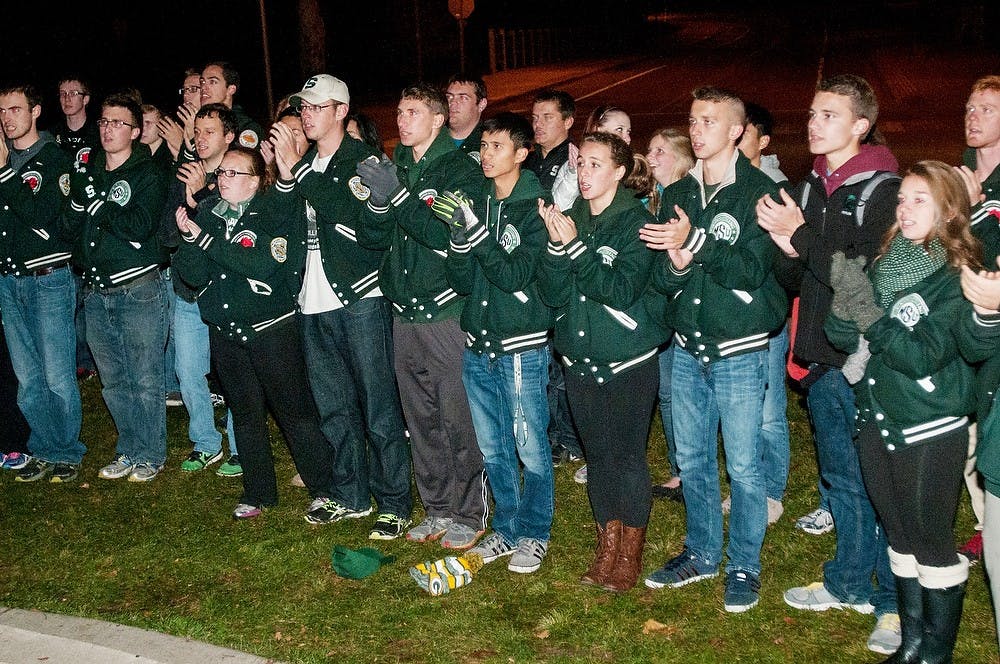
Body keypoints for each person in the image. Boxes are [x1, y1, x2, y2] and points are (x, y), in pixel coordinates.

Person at [756, 74, 900, 654]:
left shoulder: (884, 190)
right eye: (812, 113)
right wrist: (788, 248)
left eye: (829, 115)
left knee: (882, 486)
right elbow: (800, 277)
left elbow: (862, 278)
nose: (813, 123)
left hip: (862, 359)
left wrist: (802, 238)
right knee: (841, 477)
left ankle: (892, 602)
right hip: (818, 354)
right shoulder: (811, 186)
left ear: (860, 125)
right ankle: (848, 579)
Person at [825, 161, 982, 664]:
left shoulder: (958, 276)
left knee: (931, 538)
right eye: (902, 199)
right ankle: (913, 643)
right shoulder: (886, 261)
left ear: (949, 209)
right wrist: (843, 309)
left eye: (920, 199)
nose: (905, 208)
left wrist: (868, 314)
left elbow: (919, 356)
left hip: (930, 422)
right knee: (898, 532)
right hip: (878, 416)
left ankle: (937, 651)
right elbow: (844, 339)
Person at [641, 87, 784, 613]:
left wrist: (694, 244)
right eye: (694, 120)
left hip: (739, 349)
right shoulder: (679, 190)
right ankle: (702, 553)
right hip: (686, 346)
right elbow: (663, 273)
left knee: (745, 467)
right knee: (694, 458)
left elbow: (751, 269)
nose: (698, 130)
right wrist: (675, 266)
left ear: (736, 131)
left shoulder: (758, 192)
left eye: (709, 121)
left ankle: (744, 564)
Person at [271, 74, 412, 538]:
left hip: (359, 301)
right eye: (303, 107)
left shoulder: (360, 161)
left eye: (316, 107)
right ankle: (351, 494)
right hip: (312, 300)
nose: (307, 114)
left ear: (340, 111)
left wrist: (299, 172)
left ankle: (394, 501)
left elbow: (352, 217)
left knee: (378, 406)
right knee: (333, 406)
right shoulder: (304, 163)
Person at [172, 147, 337, 520]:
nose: (222, 180)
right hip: (226, 333)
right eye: (222, 173)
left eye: (233, 173)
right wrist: (188, 238)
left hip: (271, 331)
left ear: (256, 179)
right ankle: (258, 491)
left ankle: (324, 489)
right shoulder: (210, 214)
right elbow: (194, 275)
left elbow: (264, 264)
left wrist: (204, 240)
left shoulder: (272, 213)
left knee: (295, 414)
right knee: (244, 415)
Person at [357, 83, 487, 549]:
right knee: (421, 419)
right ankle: (436, 507)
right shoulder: (400, 167)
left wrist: (397, 197)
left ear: (438, 120)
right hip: (404, 312)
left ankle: (470, 512)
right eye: (398, 110)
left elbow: (441, 234)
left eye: (413, 111)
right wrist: (377, 202)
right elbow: (374, 238)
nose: (401, 119)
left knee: (457, 417)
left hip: (445, 314)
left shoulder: (459, 170)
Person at [536, 131, 665, 591]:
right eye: (581, 165)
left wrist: (574, 250)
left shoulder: (636, 223)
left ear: (618, 171)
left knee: (626, 457)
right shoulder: (571, 218)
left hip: (627, 360)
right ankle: (606, 545)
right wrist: (555, 249)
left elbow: (621, 289)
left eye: (594, 164)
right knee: (599, 456)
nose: (584, 173)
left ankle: (629, 553)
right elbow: (550, 294)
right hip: (579, 359)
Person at [436, 112, 554, 573]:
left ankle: (535, 532)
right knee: (493, 445)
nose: (485, 155)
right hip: (478, 340)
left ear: (522, 153)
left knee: (529, 444)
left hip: (520, 343)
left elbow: (513, 274)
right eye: (482, 146)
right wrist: (461, 241)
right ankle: (506, 528)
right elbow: (463, 279)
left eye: (496, 147)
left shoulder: (535, 208)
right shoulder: (479, 202)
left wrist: (478, 235)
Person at [64, 92, 170, 482]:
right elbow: (70, 228)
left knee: (144, 377)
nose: (108, 129)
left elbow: (138, 226)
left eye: (118, 123)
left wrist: (97, 205)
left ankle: (151, 455)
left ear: (137, 131)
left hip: (138, 289)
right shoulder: (90, 172)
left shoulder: (149, 173)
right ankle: (129, 449)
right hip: (95, 290)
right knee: (113, 380)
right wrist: (83, 204)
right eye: (104, 122)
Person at [0, 84, 83, 483]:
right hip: (8, 280)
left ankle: (67, 449)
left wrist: (3, 172)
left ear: (35, 112)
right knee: (28, 376)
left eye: (15, 109)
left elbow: (42, 216)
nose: (7, 118)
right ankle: (43, 446)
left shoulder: (53, 160)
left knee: (56, 373)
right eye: (2, 111)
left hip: (47, 278)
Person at [159, 103, 241, 476]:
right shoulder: (185, 174)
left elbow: (232, 235)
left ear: (229, 136)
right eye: (197, 131)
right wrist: (187, 202)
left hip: (225, 295)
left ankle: (241, 447)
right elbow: (166, 233)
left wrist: (200, 198)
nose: (201, 138)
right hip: (189, 292)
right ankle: (206, 442)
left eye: (210, 131)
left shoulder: (238, 176)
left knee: (233, 373)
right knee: (188, 370)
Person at [726, 100, 792, 526]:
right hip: (732, 318)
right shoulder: (726, 183)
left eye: (743, 131)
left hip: (763, 316)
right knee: (741, 409)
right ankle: (746, 485)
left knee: (768, 408)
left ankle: (771, 491)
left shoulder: (772, 188)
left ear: (762, 141)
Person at [952, 74, 1000, 566]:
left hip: (997, 326)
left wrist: (979, 206)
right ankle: (987, 522)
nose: (973, 115)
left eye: (986, 108)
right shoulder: (959, 172)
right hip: (962, 322)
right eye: (970, 105)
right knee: (968, 431)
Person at [524, 89, 584, 471]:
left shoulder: (576, 162)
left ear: (567, 121)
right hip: (532, 269)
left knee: (563, 363)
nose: (538, 124)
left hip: (561, 267)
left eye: (547, 116)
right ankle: (548, 434)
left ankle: (570, 438)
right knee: (542, 360)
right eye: (535, 117)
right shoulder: (528, 161)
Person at [644, 128, 695, 503]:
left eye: (660, 151)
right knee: (666, 392)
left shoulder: (683, 200)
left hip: (682, 309)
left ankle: (690, 471)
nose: (651, 156)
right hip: (659, 310)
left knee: (681, 393)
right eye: (650, 150)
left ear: (681, 158)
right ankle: (680, 469)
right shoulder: (653, 197)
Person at [52, 75, 99, 166]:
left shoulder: (99, 134)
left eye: (73, 93)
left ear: (85, 99)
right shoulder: (51, 135)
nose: (67, 99)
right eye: (63, 94)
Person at [445, 73, 487, 161]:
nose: (452, 102)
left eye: (463, 98)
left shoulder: (490, 143)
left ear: (481, 104)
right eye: (449, 97)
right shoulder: (431, 139)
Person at [140, 104, 175, 173]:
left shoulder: (170, 156)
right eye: (140, 123)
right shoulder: (133, 151)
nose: (142, 128)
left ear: (162, 126)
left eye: (148, 123)